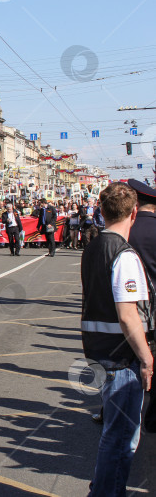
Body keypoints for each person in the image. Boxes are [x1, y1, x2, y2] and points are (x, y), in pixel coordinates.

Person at [81, 182, 153, 496]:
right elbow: (128, 316)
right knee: (122, 438)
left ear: (101, 212)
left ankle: (103, 488)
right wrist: (148, 359)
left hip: (98, 350)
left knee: (115, 433)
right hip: (121, 358)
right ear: (134, 213)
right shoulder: (124, 256)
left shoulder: (94, 246)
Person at [127, 179, 156, 432]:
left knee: (127, 361)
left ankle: (117, 411)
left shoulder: (128, 231)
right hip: (155, 307)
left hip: (131, 306)